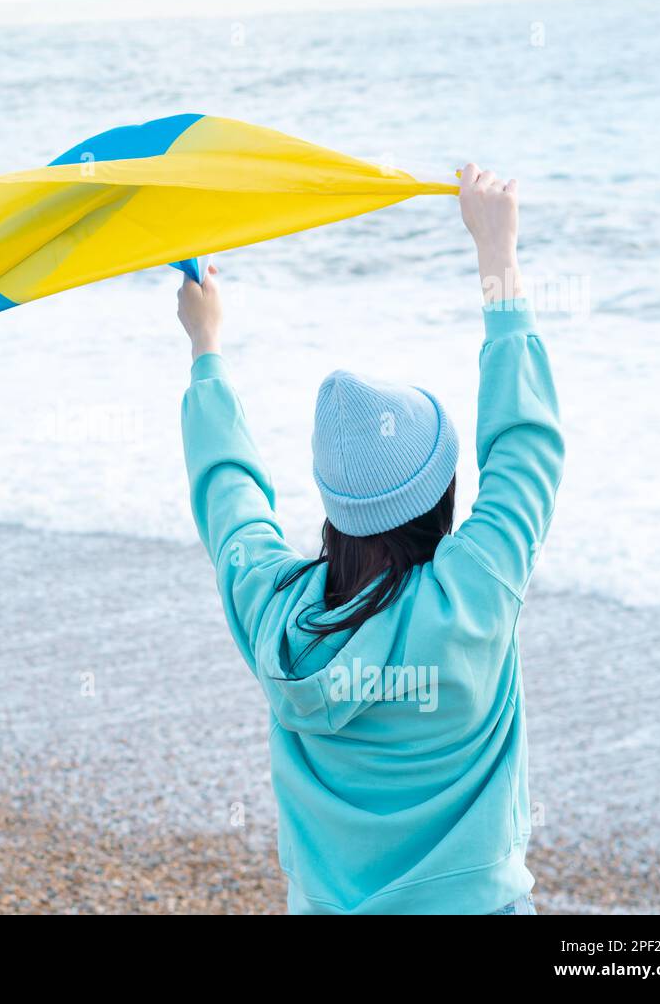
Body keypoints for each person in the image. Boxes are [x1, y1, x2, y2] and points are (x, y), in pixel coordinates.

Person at [177, 165, 564, 914]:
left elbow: (229, 498)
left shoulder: (279, 618)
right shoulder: (474, 591)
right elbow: (526, 447)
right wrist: (497, 254)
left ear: (333, 507)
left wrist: (205, 345)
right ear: (444, 494)